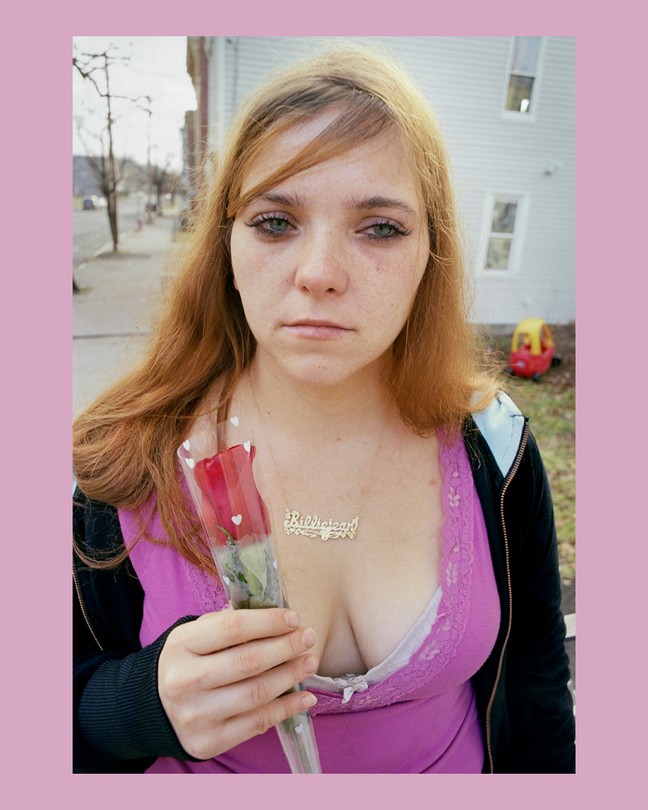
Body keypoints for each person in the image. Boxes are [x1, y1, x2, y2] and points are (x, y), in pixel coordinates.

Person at [73, 42, 575, 774]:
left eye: (380, 227)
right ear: (226, 246)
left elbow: (537, 693)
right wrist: (136, 704)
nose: (318, 275)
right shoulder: (126, 463)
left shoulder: (493, 446)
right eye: (276, 222)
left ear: (430, 252)